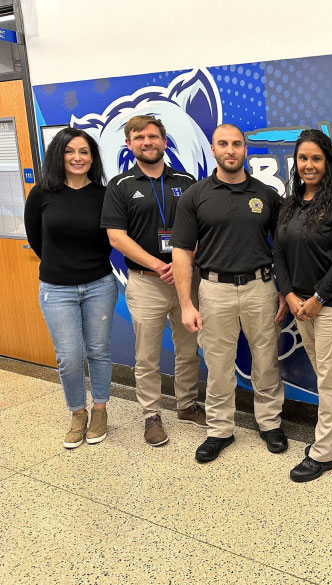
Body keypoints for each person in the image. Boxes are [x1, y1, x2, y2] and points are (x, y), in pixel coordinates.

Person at [170, 123, 288, 463]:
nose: (231, 150)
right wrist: (186, 304)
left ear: (245, 149)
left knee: (265, 360)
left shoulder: (266, 195)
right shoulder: (196, 195)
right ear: (213, 149)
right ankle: (219, 429)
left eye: (237, 144)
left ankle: (270, 424)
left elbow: (283, 246)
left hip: (260, 288)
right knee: (218, 364)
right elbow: (181, 252)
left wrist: (283, 289)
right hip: (214, 290)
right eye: (223, 144)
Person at [101, 115, 205, 447]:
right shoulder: (119, 185)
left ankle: (187, 405)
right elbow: (117, 238)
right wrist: (161, 265)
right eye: (139, 137)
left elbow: (203, 230)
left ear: (164, 141)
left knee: (189, 349)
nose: (148, 142)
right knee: (146, 353)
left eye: (153, 136)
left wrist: (181, 262)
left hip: (187, 279)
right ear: (129, 144)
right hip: (147, 281)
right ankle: (151, 415)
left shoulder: (187, 181)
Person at [273, 128, 332, 483]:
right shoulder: (292, 202)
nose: (308, 165)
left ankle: (325, 453)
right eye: (302, 158)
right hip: (302, 306)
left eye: (316, 158)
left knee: (330, 381)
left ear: (327, 162)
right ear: (295, 163)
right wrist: (293, 296)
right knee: (331, 378)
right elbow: (278, 252)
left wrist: (317, 298)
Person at [24, 127, 117, 449]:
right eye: (70, 151)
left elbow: (111, 240)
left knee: (99, 352)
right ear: (59, 155)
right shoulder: (41, 194)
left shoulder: (104, 195)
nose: (77, 158)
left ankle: (100, 410)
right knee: (69, 356)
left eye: (84, 152)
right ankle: (77, 413)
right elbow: (36, 239)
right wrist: (61, 265)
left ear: (92, 158)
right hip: (56, 289)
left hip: (99, 285)